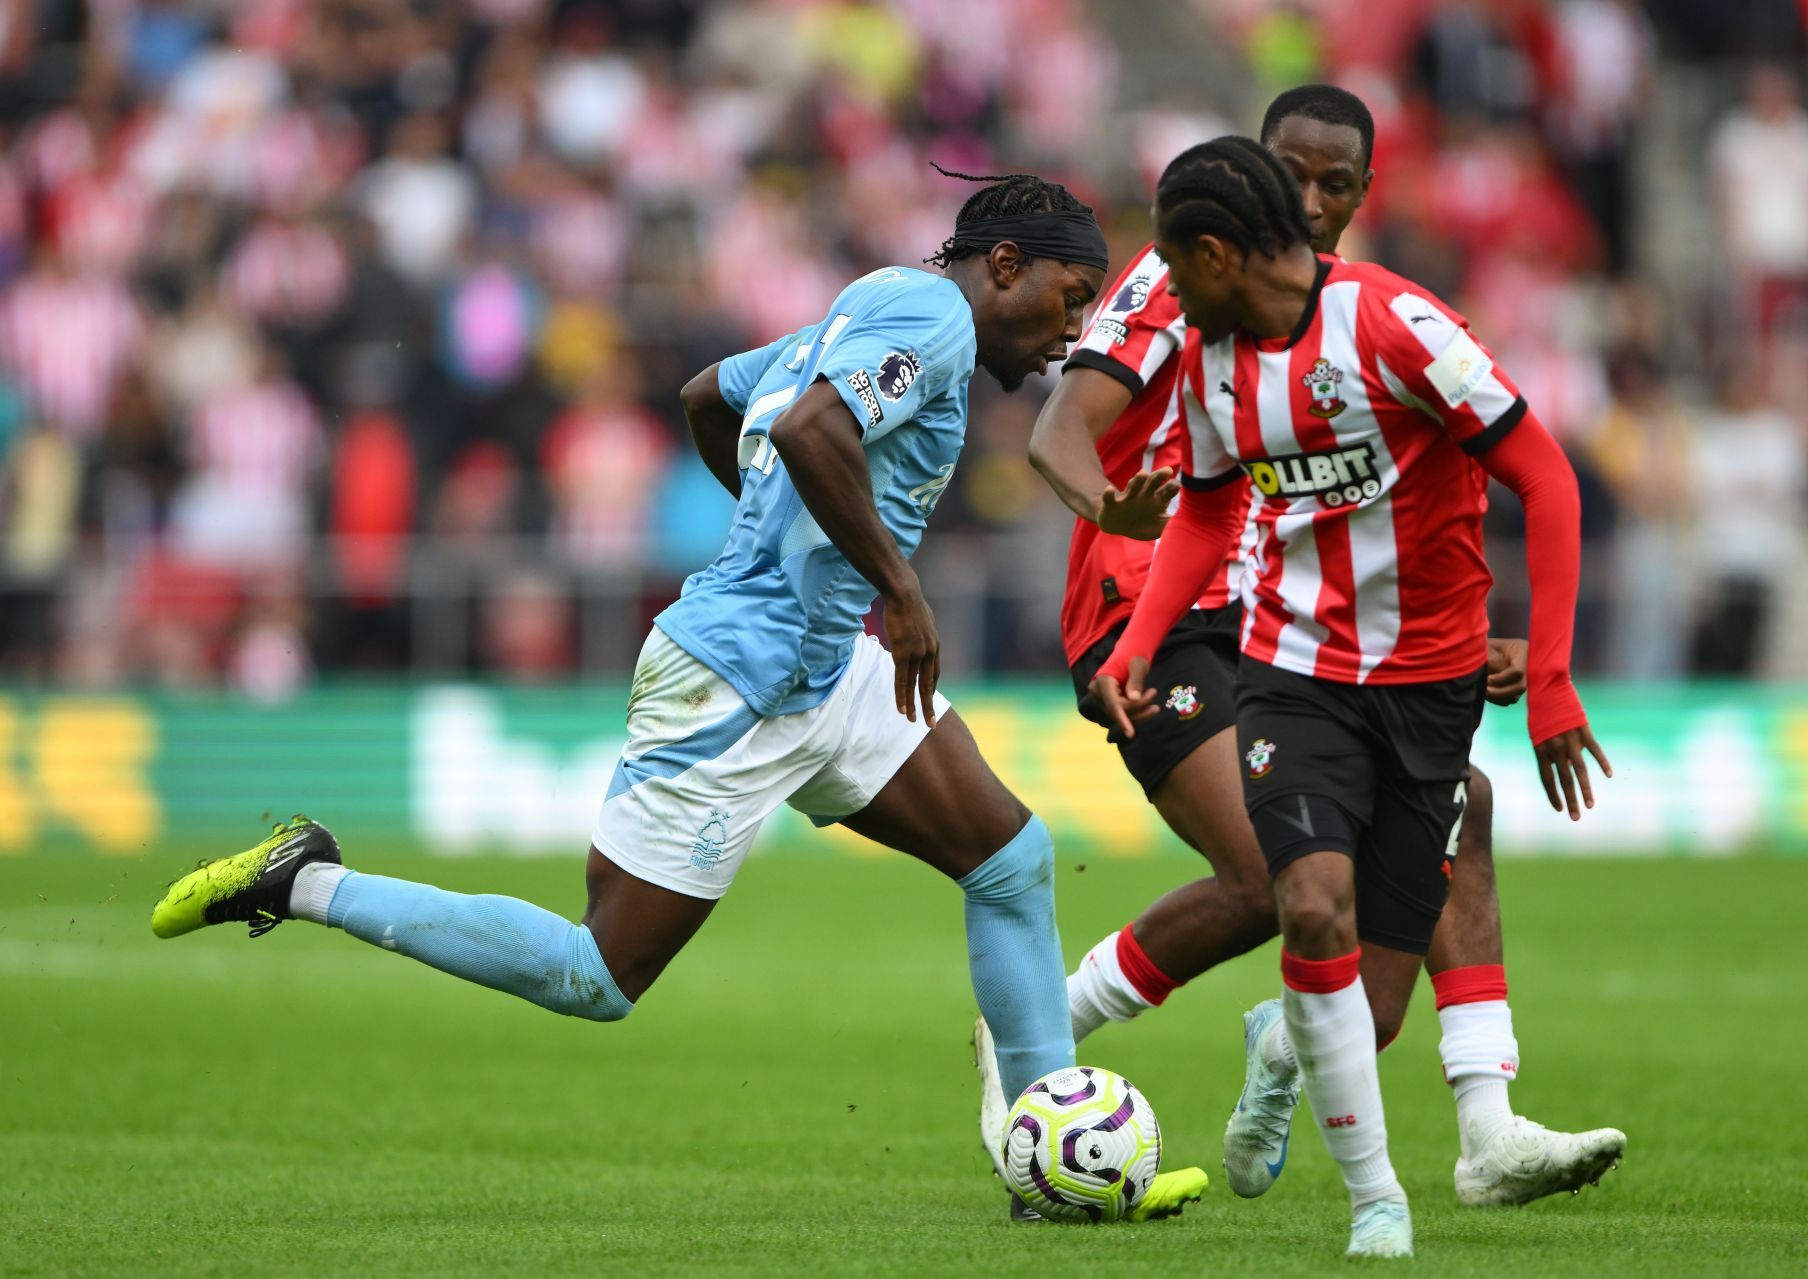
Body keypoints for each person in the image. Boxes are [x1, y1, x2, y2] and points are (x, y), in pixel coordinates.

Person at [149, 172, 1200, 1222]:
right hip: (732, 684)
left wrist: (789, 546)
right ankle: (306, 880)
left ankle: (1051, 1154)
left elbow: (713, 393)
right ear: (1005, 266)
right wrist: (896, 587)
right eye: (1070, 297)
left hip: (829, 668)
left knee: (1008, 861)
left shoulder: (883, 304)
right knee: (593, 975)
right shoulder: (929, 314)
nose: (1072, 332)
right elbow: (803, 433)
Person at [980, 84, 1625, 1217]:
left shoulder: (1350, 321)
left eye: (1336, 186)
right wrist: (1114, 514)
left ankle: (1485, 1127)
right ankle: (1036, 1026)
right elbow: (1058, 431)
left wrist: (1442, 640)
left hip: (1297, 617)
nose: (1312, 203)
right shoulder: (1176, 280)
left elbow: (1395, 494)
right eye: (1293, 176)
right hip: (1154, 610)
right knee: (1271, 879)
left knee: (1457, 804)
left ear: (1363, 194)